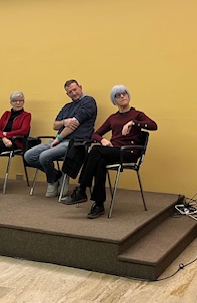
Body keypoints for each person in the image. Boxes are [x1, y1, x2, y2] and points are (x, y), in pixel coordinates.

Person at [62, 85, 157, 219]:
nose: (122, 96)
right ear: (114, 100)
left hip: (128, 153)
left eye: (124, 93)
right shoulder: (113, 117)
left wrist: (133, 123)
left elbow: (154, 125)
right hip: (113, 151)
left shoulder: (137, 115)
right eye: (118, 95)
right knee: (99, 161)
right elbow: (95, 134)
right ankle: (99, 204)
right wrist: (102, 140)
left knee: (95, 150)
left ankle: (81, 189)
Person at [23, 79, 97, 198]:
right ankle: (57, 176)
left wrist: (58, 139)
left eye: (75, 89)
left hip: (76, 143)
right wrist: (64, 122)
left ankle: (51, 181)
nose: (73, 93)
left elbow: (74, 125)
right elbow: (55, 125)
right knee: (29, 156)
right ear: (67, 94)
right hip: (60, 140)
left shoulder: (88, 101)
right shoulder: (67, 106)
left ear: (80, 87)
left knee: (44, 156)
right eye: (70, 92)